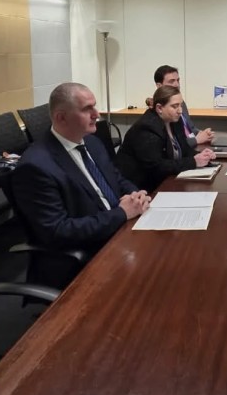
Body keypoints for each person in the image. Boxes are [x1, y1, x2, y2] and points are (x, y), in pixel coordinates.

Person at [12, 83, 151, 288]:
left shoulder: (92, 143)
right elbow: (59, 231)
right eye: (87, 109)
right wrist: (121, 213)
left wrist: (135, 194)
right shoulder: (36, 166)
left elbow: (117, 179)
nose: (97, 114)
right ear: (61, 117)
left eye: (95, 106)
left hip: (120, 233)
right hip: (86, 256)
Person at [117, 85, 216, 192]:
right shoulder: (147, 128)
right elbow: (157, 166)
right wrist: (193, 161)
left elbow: (184, 149)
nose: (180, 111)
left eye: (181, 105)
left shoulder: (175, 120)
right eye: (175, 106)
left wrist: (201, 156)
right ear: (159, 108)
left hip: (165, 180)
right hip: (141, 188)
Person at [151, 65, 214, 147]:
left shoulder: (181, 102)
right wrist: (196, 140)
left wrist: (203, 134)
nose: (177, 84)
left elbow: (190, 128)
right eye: (171, 81)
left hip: (190, 147)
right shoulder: (161, 109)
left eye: (178, 80)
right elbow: (172, 143)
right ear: (159, 86)